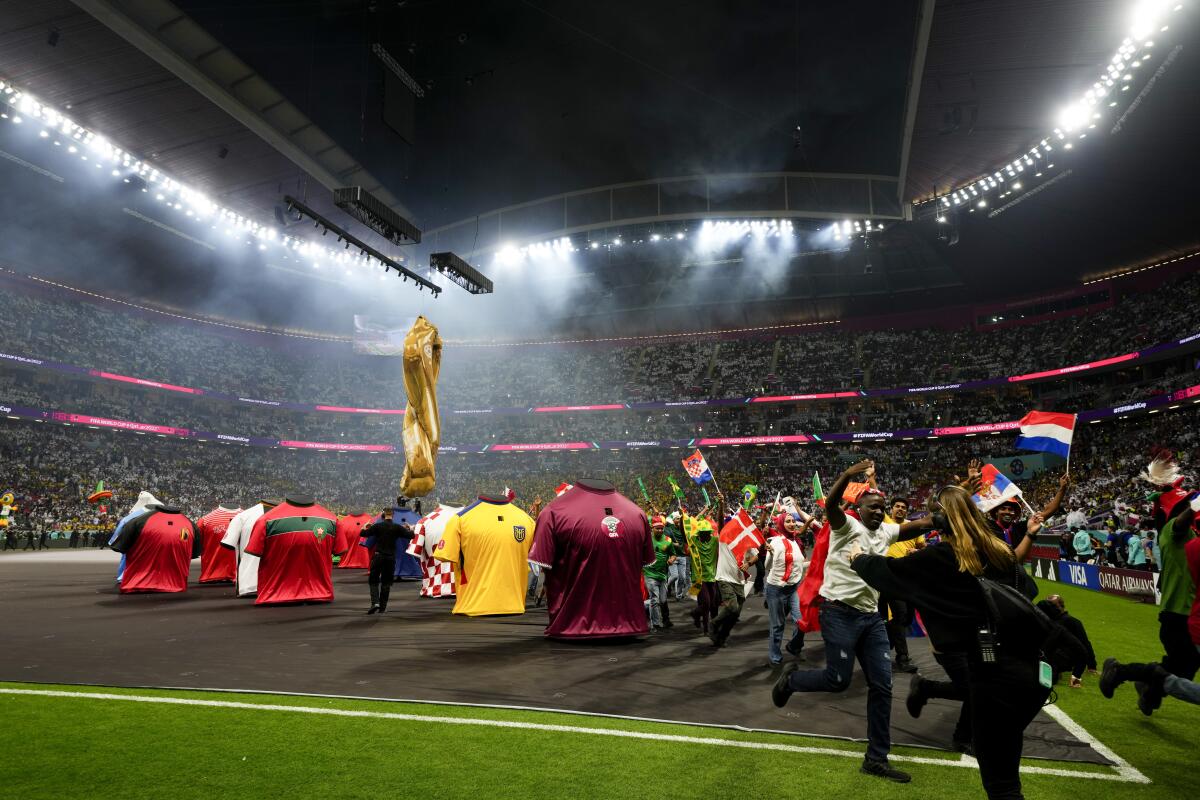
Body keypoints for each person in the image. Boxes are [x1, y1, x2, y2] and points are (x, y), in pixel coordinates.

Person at [850, 485, 1051, 800]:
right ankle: (931, 692)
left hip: (993, 678)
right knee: (1008, 776)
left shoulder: (942, 557)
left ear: (940, 522)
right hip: (1032, 675)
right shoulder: (998, 550)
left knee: (1003, 788)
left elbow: (888, 574)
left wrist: (858, 558)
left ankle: (930, 693)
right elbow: (1027, 591)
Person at [771, 460, 932, 784]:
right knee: (838, 680)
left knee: (882, 686)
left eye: (881, 508)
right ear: (859, 507)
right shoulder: (846, 525)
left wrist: (961, 500)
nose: (878, 512)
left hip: (871, 619)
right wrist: (847, 474)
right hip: (839, 613)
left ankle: (876, 759)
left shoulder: (886, 530)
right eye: (872, 507)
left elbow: (922, 525)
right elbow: (831, 504)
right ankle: (791, 681)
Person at [879, 497, 920, 673]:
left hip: (907, 578)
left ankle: (882, 644)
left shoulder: (913, 527)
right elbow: (879, 502)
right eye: (897, 506)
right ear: (891, 508)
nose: (900, 509)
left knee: (906, 617)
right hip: (889, 577)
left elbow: (922, 547)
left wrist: (916, 551)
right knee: (901, 614)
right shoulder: (887, 522)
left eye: (904, 507)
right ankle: (902, 657)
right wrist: (872, 479)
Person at [763, 512, 808, 664]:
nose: (791, 524)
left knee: (802, 621)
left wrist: (816, 563)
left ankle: (794, 646)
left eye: (793, 521)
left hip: (793, 589)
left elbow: (799, 564)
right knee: (778, 626)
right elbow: (767, 567)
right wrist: (769, 553)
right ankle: (775, 658)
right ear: (781, 524)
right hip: (776, 589)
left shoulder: (796, 541)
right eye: (787, 521)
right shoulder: (775, 542)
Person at [362, 509, 415, 614]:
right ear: (393, 515)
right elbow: (411, 536)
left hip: (378, 557)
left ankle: (375, 603)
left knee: (373, 581)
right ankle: (383, 607)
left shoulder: (377, 526)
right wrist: (411, 529)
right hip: (390, 558)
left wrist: (364, 527)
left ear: (383, 515)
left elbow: (363, 533)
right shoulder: (397, 527)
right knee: (386, 582)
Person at [1035, 597, 1093, 687]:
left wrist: (1088, 667)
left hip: (1062, 658)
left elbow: (1084, 647)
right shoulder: (1048, 624)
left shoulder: (1068, 624)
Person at [644, 515, 679, 631]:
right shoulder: (646, 539)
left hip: (663, 575)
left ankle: (666, 620)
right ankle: (656, 623)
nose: (659, 530)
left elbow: (674, 554)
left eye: (661, 528)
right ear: (652, 528)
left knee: (663, 600)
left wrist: (671, 559)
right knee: (655, 599)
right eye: (657, 528)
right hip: (649, 574)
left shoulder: (668, 541)